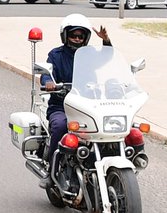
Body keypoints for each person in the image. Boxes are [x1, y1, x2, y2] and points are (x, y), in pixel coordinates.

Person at [38, 15, 113, 186]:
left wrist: (106, 41)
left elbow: (107, 59)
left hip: (89, 105)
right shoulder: (56, 55)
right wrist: (48, 82)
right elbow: (46, 74)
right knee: (59, 126)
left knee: (109, 128)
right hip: (62, 106)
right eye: (74, 35)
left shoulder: (91, 54)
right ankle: (52, 172)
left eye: (81, 36)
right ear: (65, 36)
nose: (77, 39)